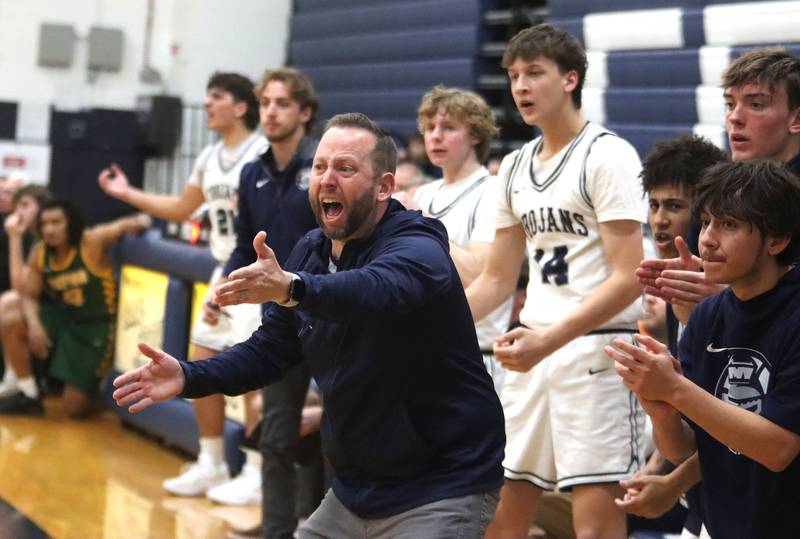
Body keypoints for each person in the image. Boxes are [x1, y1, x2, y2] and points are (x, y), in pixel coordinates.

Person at [113, 112, 505, 539]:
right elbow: (270, 350)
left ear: (384, 188)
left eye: (346, 168)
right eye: (320, 167)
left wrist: (294, 288)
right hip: (356, 492)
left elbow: (376, 290)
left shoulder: (418, 243)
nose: (327, 179)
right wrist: (189, 375)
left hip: (442, 488)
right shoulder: (312, 251)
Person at [465, 23, 647, 538]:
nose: (520, 86)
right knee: (500, 518)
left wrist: (548, 339)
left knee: (595, 526)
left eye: (534, 73)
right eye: (514, 75)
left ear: (570, 79)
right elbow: (497, 280)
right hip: (534, 351)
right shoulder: (515, 166)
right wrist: (426, 323)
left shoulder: (607, 154)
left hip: (597, 354)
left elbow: (630, 277)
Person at [606, 160, 800, 539]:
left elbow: (778, 449)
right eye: (707, 221)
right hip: (720, 520)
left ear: (776, 240)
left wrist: (675, 389)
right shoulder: (708, 314)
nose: (707, 239)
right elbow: (686, 448)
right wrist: (659, 409)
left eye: (729, 225)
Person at [97, 72, 268, 502]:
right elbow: (181, 207)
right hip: (222, 270)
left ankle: (257, 470)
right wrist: (126, 193)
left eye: (216, 98)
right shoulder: (209, 155)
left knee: (254, 373)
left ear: (241, 106)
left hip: (257, 271)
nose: (207, 105)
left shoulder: (262, 151)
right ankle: (211, 462)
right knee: (201, 359)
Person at [219, 66, 319, 532]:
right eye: (266, 103)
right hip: (280, 323)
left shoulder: (323, 168)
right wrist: (225, 286)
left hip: (330, 315)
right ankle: (278, 529)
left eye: (282, 103)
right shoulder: (253, 171)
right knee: (276, 434)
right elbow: (243, 244)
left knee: (337, 437)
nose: (272, 112)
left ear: (305, 112)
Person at [618, 135, 728, 536]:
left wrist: (672, 481)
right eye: (654, 205)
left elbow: (736, 426)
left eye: (675, 207)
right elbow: (686, 423)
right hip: (704, 493)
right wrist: (652, 473)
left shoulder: (724, 304)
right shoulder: (672, 292)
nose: (660, 219)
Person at [640, 48, 800, 320]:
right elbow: (692, 319)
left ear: (796, 119)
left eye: (756, 104)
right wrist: (684, 295)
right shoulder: (717, 191)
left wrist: (730, 296)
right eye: (730, 104)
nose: (735, 117)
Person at [0, 198, 149, 417]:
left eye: (56, 222)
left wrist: (141, 220)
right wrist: (34, 326)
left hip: (95, 325)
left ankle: (100, 393)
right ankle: (28, 392)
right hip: (65, 317)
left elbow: (126, 224)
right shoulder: (40, 252)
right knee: (11, 318)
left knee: (72, 410)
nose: (49, 229)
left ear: (70, 222)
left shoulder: (92, 241)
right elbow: (28, 296)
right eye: (45, 224)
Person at [411, 85, 512, 393]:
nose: (435, 136)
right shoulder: (423, 193)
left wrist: (424, 225)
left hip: (474, 353)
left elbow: (482, 274)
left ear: (476, 135)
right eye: (429, 128)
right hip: (421, 349)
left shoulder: (492, 192)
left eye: (448, 127)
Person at [0, 185, 52, 399]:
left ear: (42, 208)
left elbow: (19, 287)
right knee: (7, 302)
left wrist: (13, 238)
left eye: (25, 205)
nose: (18, 213)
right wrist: (15, 238)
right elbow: (19, 286)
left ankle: (26, 388)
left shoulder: (49, 236)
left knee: (10, 304)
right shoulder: (32, 236)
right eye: (16, 207)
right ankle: (15, 380)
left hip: (67, 310)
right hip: (42, 303)